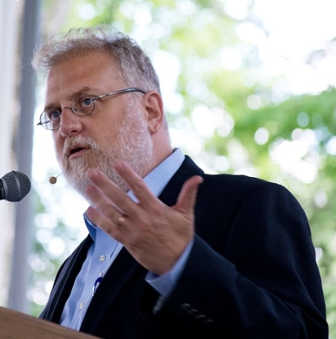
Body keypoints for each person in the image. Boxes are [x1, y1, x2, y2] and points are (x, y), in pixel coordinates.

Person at [32, 26, 328, 338]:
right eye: (53, 114)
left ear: (150, 112)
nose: (65, 126)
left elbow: (301, 334)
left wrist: (183, 264)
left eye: (87, 101)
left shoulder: (250, 205)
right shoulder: (73, 265)